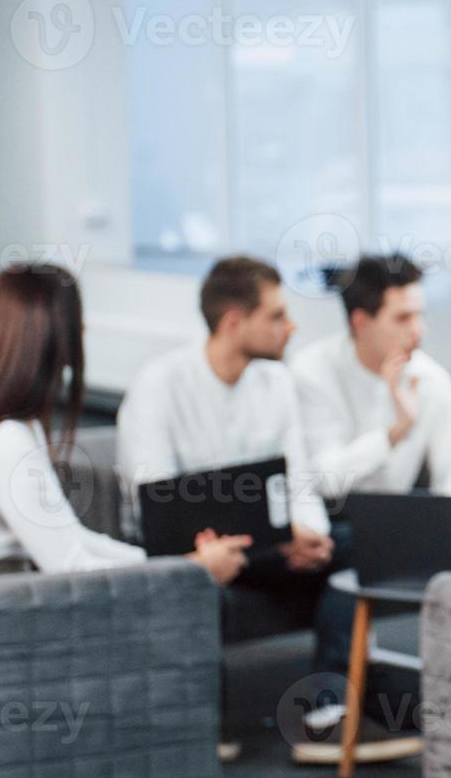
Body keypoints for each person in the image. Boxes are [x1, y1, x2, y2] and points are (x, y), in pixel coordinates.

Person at [116, 255, 418, 765]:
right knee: (196, 570)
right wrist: (261, 541)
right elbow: (157, 505)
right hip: (193, 556)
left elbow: (298, 479)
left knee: (353, 545)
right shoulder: (159, 386)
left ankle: (326, 713)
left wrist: (307, 532)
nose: (291, 326)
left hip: (267, 549)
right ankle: (200, 720)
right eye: (277, 316)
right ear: (235, 323)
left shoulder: (276, 383)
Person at [0, 263, 249, 585]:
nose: (83, 332)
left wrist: (174, 562)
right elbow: (68, 567)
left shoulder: (11, 426)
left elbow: (73, 539)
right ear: (53, 334)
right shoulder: (7, 440)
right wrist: (190, 570)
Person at [290, 254, 451, 498]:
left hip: (396, 523)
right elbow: (323, 480)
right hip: (329, 522)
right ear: (360, 322)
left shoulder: (432, 380)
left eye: (420, 315)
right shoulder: (311, 371)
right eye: (403, 318)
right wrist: (394, 433)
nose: (419, 330)